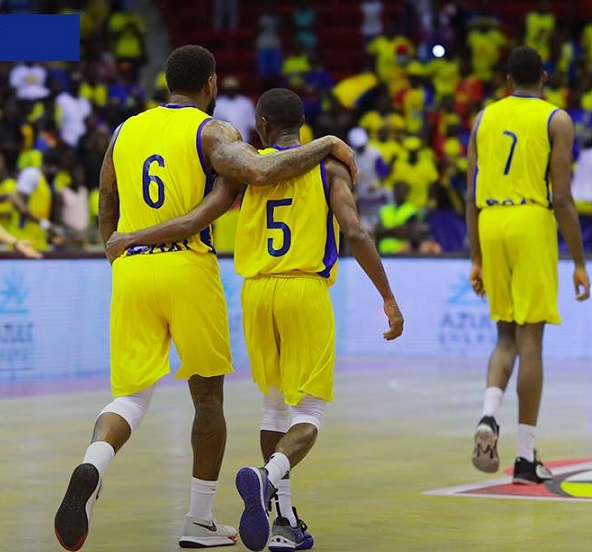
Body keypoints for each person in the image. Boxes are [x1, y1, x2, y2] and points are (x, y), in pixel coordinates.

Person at [54, 46, 357, 552]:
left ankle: (93, 464)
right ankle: (198, 520)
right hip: (187, 265)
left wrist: (120, 251)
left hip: (130, 267)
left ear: (165, 81)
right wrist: (325, 141)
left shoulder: (124, 130)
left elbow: (106, 200)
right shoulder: (213, 132)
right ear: (211, 85)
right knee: (208, 400)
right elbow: (261, 172)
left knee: (129, 396)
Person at [104, 87, 403, 552]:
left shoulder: (243, 171)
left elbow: (196, 214)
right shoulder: (329, 166)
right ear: (301, 125)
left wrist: (129, 239)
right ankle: (267, 478)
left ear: (260, 126)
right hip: (303, 289)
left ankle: (284, 521)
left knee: (274, 407)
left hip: (256, 293)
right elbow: (355, 231)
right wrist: (387, 296)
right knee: (309, 413)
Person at [466, 46, 591, 485]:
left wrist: (477, 258)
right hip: (530, 219)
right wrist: (578, 261)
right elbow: (561, 196)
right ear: (543, 76)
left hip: (490, 220)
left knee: (504, 335)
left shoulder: (482, 119)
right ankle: (524, 455)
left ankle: (488, 414)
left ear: (506, 80)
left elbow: (469, 193)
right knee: (531, 339)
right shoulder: (556, 119)